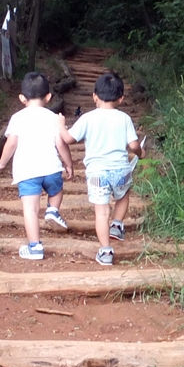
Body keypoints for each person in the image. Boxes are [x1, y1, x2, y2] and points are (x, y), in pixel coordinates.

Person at [0, 72, 74, 260]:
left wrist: (2, 162)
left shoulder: (18, 118)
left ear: (22, 98)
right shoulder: (53, 117)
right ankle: (53, 210)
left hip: (27, 172)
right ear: (48, 97)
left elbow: (11, 144)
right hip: (52, 168)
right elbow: (61, 145)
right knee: (57, 191)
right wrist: (68, 164)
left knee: (30, 210)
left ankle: (35, 247)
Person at [65, 72, 143, 265]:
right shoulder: (124, 118)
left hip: (97, 173)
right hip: (120, 170)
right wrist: (141, 153)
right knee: (123, 195)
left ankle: (106, 251)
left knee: (101, 213)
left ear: (94, 96)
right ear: (121, 98)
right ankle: (117, 224)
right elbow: (133, 145)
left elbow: (68, 139)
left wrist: (60, 126)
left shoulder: (87, 118)